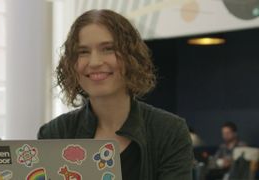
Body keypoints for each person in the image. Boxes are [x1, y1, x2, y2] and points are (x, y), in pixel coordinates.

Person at [38, 9, 193, 180]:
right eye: (83, 52)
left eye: (108, 49)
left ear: (131, 57)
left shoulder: (169, 132)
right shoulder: (55, 134)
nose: (95, 62)